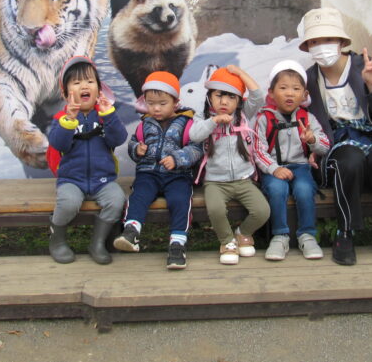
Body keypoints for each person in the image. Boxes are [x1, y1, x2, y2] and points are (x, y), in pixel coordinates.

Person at [298, 7, 372, 265]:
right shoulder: (308, 79)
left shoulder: (365, 65)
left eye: (327, 39)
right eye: (314, 41)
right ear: (308, 47)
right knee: (348, 161)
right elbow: (304, 121)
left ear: (340, 42)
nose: (321, 47)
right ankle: (345, 231)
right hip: (339, 140)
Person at [113, 71, 203, 270]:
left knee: (180, 200)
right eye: (151, 103)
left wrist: (178, 158)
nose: (156, 108)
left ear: (176, 102)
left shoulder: (187, 123)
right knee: (139, 196)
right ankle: (131, 231)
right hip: (148, 173)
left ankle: (177, 244)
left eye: (162, 104)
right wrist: (137, 149)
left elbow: (197, 149)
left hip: (177, 175)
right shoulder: (144, 123)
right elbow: (133, 144)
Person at [47, 56, 128, 265]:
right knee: (68, 203)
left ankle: (98, 242)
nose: (84, 85)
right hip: (72, 179)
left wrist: (109, 115)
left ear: (99, 90)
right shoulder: (62, 119)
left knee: (117, 200)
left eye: (90, 81)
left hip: (103, 180)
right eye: (76, 82)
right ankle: (57, 240)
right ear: (66, 93)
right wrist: (69, 120)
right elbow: (58, 144)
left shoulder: (104, 116)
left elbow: (118, 138)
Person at [189, 65, 270, 265]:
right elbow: (194, 135)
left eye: (231, 97)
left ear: (239, 101)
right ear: (210, 97)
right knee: (216, 210)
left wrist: (241, 75)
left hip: (244, 180)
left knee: (262, 211)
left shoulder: (243, 115)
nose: (224, 101)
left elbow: (258, 96)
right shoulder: (204, 117)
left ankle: (242, 233)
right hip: (215, 182)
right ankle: (227, 241)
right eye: (219, 96)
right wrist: (214, 121)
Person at [255, 60, 331, 261]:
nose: (290, 94)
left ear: (304, 95)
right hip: (273, 168)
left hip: (301, 167)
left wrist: (312, 140)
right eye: (283, 88)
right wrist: (273, 169)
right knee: (277, 189)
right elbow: (257, 149)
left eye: (296, 89)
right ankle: (280, 236)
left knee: (304, 190)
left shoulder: (308, 118)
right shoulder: (264, 118)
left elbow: (324, 145)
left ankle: (307, 235)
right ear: (271, 93)